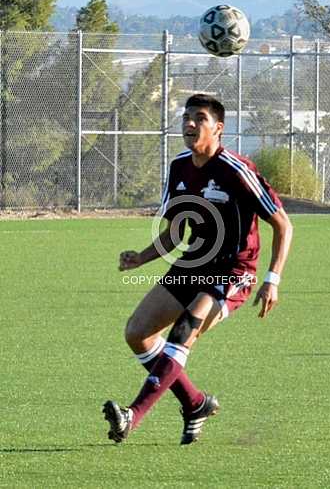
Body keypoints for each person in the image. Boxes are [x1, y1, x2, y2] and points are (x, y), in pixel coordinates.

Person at [103, 93, 293, 445]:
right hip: (194, 262)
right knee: (137, 332)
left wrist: (272, 279)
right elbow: (176, 231)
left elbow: (283, 224)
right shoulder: (179, 166)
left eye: (200, 118)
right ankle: (195, 403)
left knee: (183, 331)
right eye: (187, 117)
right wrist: (141, 258)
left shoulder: (237, 170)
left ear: (219, 128)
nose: (190, 124)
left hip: (234, 271)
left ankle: (133, 416)